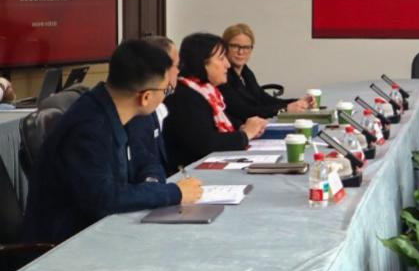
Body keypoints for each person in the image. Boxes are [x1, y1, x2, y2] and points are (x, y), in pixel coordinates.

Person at [22, 40, 203, 243]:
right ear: (145, 97)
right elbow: (103, 198)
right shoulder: (89, 127)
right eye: (165, 91)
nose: (165, 96)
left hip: (99, 230)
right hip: (65, 244)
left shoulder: (115, 108)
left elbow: (146, 160)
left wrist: (152, 186)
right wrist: (173, 192)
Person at [162, 32, 267, 171]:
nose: (227, 65)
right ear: (202, 62)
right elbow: (205, 143)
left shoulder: (207, 91)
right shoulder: (184, 96)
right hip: (189, 174)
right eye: (221, 58)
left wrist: (243, 128)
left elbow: (224, 124)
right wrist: (245, 134)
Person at [218, 23, 312, 122]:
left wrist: (298, 102)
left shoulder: (246, 72)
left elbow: (265, 99)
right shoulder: (222, 76)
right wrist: (285, 109)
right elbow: (244, 111)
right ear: (224, 47)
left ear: (251, 49)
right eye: (235, 46)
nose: (241, 52)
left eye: (246, 47)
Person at [127, 36, 178, 181]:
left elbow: (151, 162)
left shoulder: (155, 106)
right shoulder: (139, 111)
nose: (178, 71)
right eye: (176, 65)